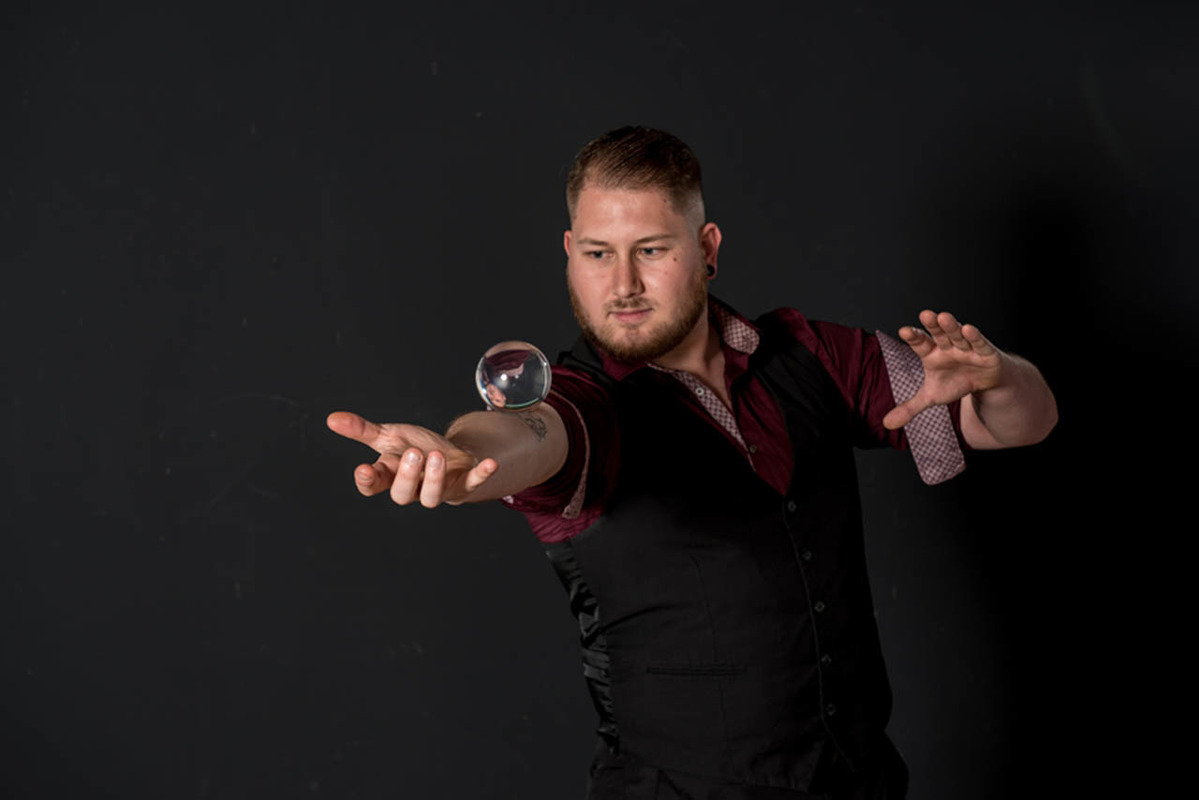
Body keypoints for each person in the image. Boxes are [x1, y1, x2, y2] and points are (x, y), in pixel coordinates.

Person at [327, 126, 1057, 799]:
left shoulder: (811, 354)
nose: (622, 285)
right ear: (569, 252)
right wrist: (464, 458)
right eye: (597, 254)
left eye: (650, 250)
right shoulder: (585, 398)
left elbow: (1018, 424)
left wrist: (999, 378)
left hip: (859, 780)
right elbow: (533, 435)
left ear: (706, 248)